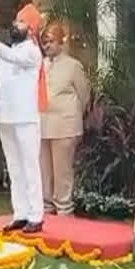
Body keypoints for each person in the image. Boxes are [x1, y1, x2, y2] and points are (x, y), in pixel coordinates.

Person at [0, 4, 47, 233]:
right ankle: (21, 213)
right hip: (6, 117)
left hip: (25, 118)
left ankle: (36, 215)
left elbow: (9, 55)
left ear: (31, 28)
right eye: (16, 20)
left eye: (21, 21)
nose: (16, 24)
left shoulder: (31, 52)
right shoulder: (10, 52)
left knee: (30, 167)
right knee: (14, 168)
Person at [39, 24, 90, 216]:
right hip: (42, 124)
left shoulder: (73, 65)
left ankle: (64, 208)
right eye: (44, 42)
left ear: (61, 42)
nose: (47, 45)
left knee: (62, 171)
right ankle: (47, 206)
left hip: (65, 125)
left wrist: (74, 116)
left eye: (51, 41)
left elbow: (84, 95)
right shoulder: (39, 64)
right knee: (45, 169)